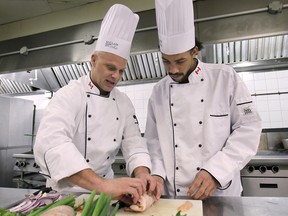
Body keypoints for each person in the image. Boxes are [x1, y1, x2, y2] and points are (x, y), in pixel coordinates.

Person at [34, 4, 162, 204]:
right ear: (93, 60)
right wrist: (102, 186)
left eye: (121, 70)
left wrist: (142, 172)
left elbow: (134, 144)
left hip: (106, 196)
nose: (116, 76)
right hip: (67, 195)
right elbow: (52, 142)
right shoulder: (69, 95)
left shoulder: (123, 102)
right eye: (110, 67)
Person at [145, 0, 262, 200]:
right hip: (174, 195)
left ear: (194, 51)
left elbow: (249, 128)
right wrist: (156, 173)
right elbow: (153, 140)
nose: (173, 69)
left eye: (180, 61)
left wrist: (215, 172)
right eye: (166, 61)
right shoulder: (159, 91)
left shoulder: (224, 77)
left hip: (219, 192)